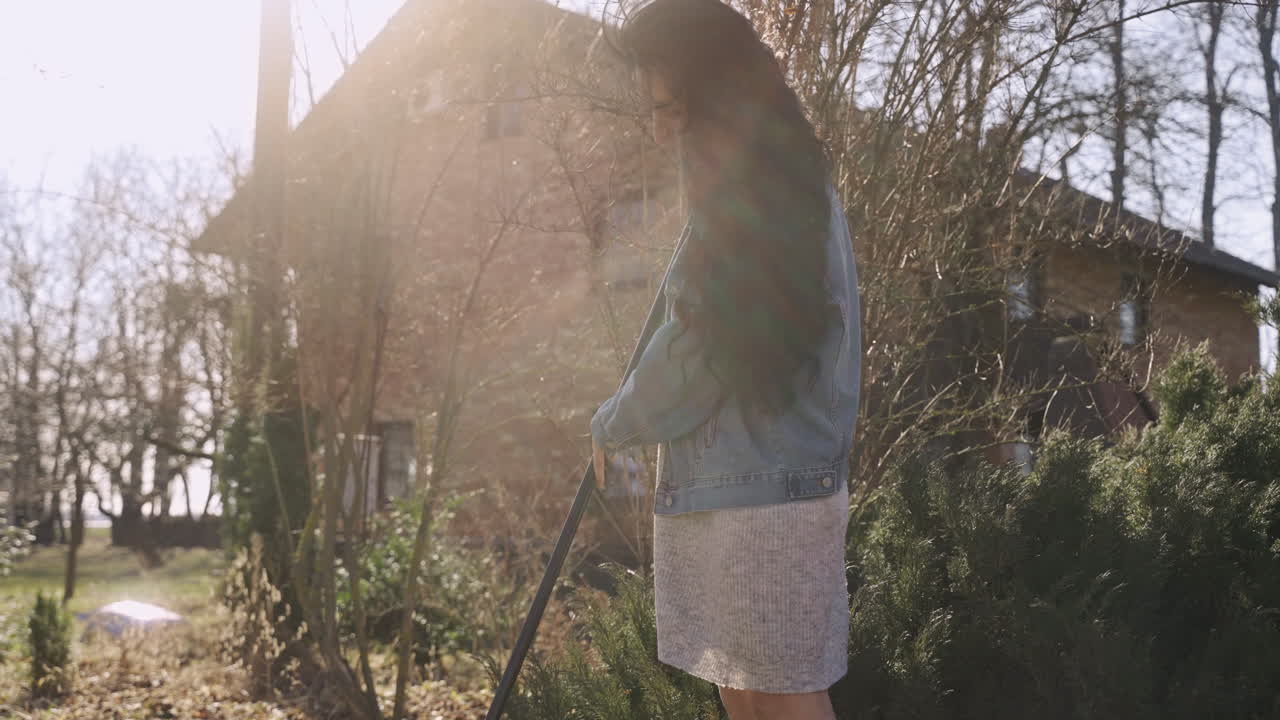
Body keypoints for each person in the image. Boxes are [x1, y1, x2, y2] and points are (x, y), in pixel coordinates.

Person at [589, 1, 862, 718]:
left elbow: (704, 344)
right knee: (745, 693)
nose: (650, 112)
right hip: (742, 484)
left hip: (765, 494)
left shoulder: (760, 187)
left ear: (700, 80)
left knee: (779, 697)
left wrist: (614, 421)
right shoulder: (767, 177)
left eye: (658, 90)